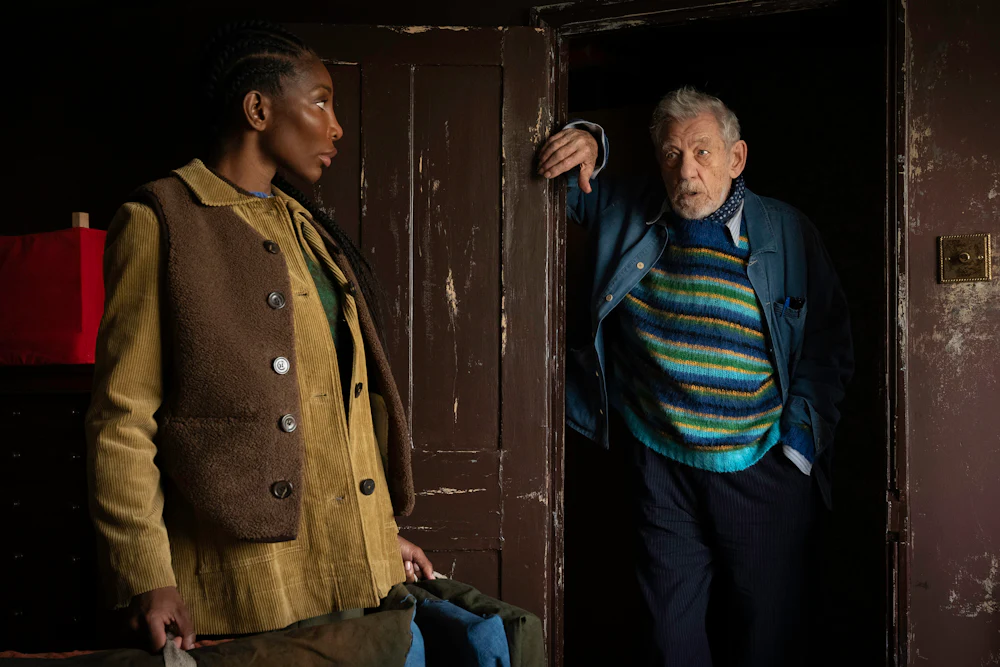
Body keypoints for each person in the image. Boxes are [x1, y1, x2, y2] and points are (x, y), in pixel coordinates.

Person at [86, 21, 433, 652]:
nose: (337, 127)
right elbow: (122, 419)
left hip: (354, 579)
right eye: (322, 101)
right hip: (245, 588)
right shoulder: (158, 220)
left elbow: (337, 411)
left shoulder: (306, 228)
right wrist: (147, 577)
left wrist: (377, 534)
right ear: (257, 108)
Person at [538, 87, 853, 666]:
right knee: (669, 635)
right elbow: (552, 173)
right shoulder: (626, 212)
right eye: (672, 155)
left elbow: (830, 342)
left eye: (703, 153)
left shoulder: (786, 232)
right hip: (660, 463)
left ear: (736, 159)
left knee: (768, 635)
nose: (687, 172)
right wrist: (591, 139)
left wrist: (799, 445)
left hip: (761, 463)